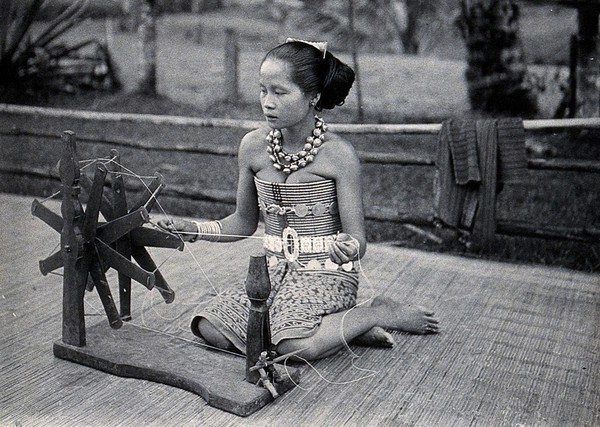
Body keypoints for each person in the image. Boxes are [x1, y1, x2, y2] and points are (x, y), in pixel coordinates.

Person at [159, 39, 439, 361]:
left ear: (313, 96)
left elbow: (357, 240)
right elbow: (243, 222)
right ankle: (330, 329)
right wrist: (192, 228)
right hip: (272, 271)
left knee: (292, 348)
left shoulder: (338, 155)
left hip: (328, 271)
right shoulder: (252, 147)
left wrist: (347, 246)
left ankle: (374, 314)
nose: (267, 103)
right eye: (263, 90)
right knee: (210, 328)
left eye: (280, 92)